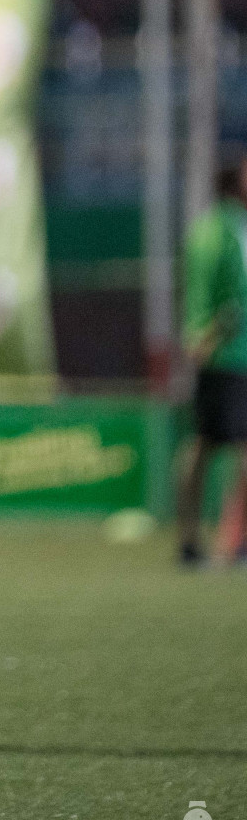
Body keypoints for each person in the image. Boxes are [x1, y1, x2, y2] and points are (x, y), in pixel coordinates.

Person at [177, 155, 247, 568]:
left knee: (217, 448)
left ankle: (229, 541)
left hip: (238, 355)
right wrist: (200, 331)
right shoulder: (215, 230)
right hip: (226, 355)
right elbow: (201, 292)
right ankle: (201, 541)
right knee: (205, 447)